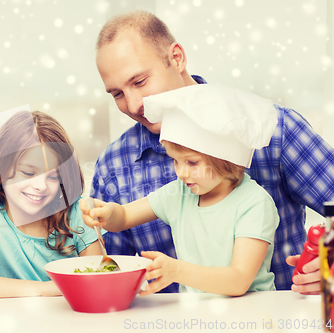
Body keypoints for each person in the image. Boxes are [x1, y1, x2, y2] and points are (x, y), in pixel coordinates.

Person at [91, 10, 334, 294]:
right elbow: (109, 273)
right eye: (117, 94)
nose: (133, 106)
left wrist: (330, 264)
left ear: (177, 58)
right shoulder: (115, 165)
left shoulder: (274, 130)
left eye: (139, 82)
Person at [82, 84, 280, 295]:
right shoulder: (179, 194)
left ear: (226, 158)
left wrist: (176, 271)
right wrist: (107, 213)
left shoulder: (254, 203)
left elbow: (238, 281)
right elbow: (124, 217)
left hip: (250, 317)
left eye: (192, 162)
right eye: (175, 161)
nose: (181, 173)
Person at [0, 110, 102, 297]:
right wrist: (44, 289)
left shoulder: (77, 212)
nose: (41, 186)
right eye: (28, 173)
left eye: (53, 177)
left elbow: (98, 282)